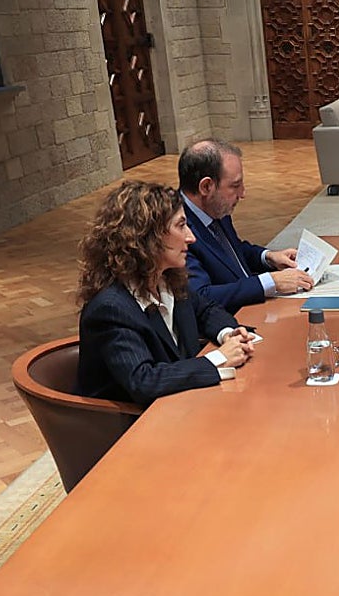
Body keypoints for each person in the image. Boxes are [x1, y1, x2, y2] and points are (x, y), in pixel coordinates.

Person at [77, 180, 255, 405]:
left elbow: (206, 310)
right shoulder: (110, 309)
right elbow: (144, 381)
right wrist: (220, 358)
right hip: (132, 421)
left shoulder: (168, 278)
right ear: (148, 237)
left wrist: (228, 334)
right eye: (181, 226)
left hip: (181, 404)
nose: (191, 237)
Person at [179, 139, 313, 314]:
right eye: (235, 186)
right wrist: (270, 282)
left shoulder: (214, 207)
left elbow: (230, 251)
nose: (243, 193)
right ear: (206, 187)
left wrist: (268, 257)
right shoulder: (177, 229)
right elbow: (201, 296)